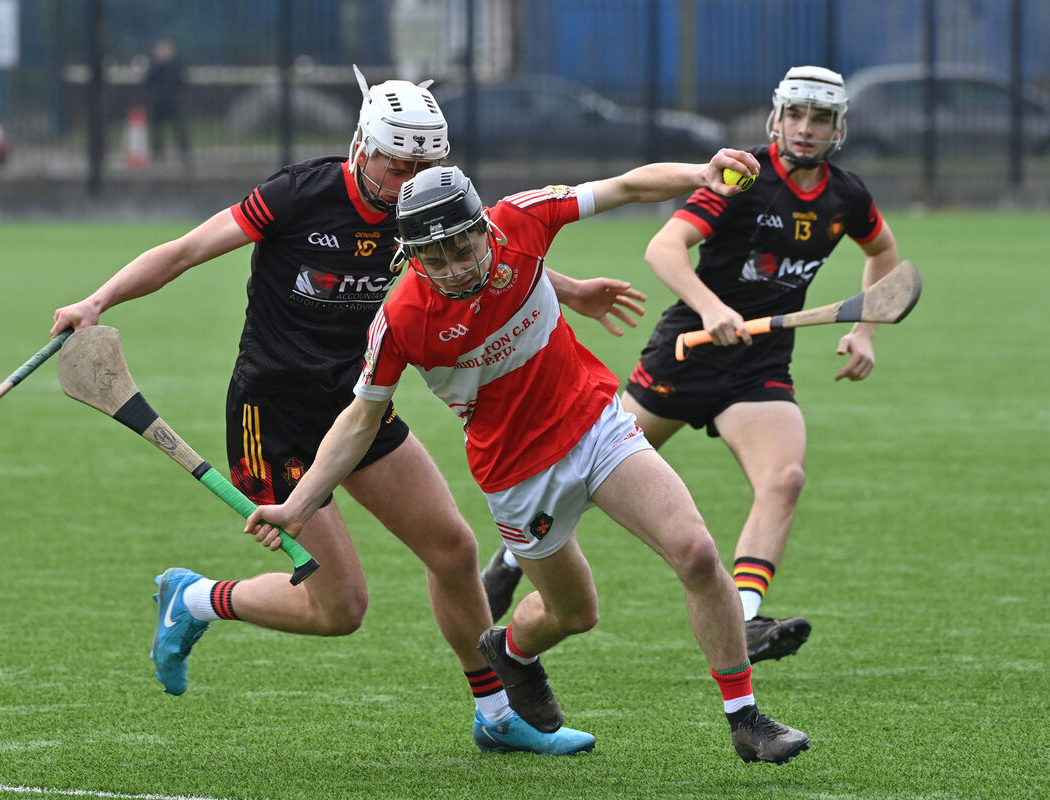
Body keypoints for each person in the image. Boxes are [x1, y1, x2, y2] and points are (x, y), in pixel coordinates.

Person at [51, 67, 643, 756]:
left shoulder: (420, 208)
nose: (410, 181)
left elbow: (482, 253)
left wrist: (568, 292)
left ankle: (497, 716)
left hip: (356, 404)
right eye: (398, 165)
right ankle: (195, 599)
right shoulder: (297, 195)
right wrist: (99, 301)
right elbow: (186, 251)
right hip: (271, 418)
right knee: (341, 611)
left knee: (453, 551)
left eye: (425, 165)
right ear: (362, 146)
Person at [246, 159, 812, 764]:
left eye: (462, 250)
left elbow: (622, 186)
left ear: (482, 229)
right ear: (410, 255)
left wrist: (702, 172)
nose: (454, 271)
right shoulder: (402, 319)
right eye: (433, 261)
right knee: (575, 613)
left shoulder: (521, 219)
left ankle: (745, 720)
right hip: (518, 476)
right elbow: (360, 419)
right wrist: (300, 505)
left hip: (596, 425)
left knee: (696, 553)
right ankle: (512, 651)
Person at [483, 66, 902, 666]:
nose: (805, 130)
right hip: (687, 353)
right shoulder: (743, 178)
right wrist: (711, 308)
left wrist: (865, 332)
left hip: (760, 365)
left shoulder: (848, 197)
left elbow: (883, 252)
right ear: (776, 117)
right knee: (587, 479)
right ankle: (508, 559)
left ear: (840, 127)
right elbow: (664, 246)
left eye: (820, 119)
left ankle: (748, 618)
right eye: (795, 115)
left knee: (784, 479)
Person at [145, 37, 191, 164]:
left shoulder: (176, 64)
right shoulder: (154, 65)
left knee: (179, 127)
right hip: (158, 101)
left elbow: (182, 79)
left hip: (173, 101)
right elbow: (148, 80)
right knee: (157, 129)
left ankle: (184, 153)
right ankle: (158, 154)